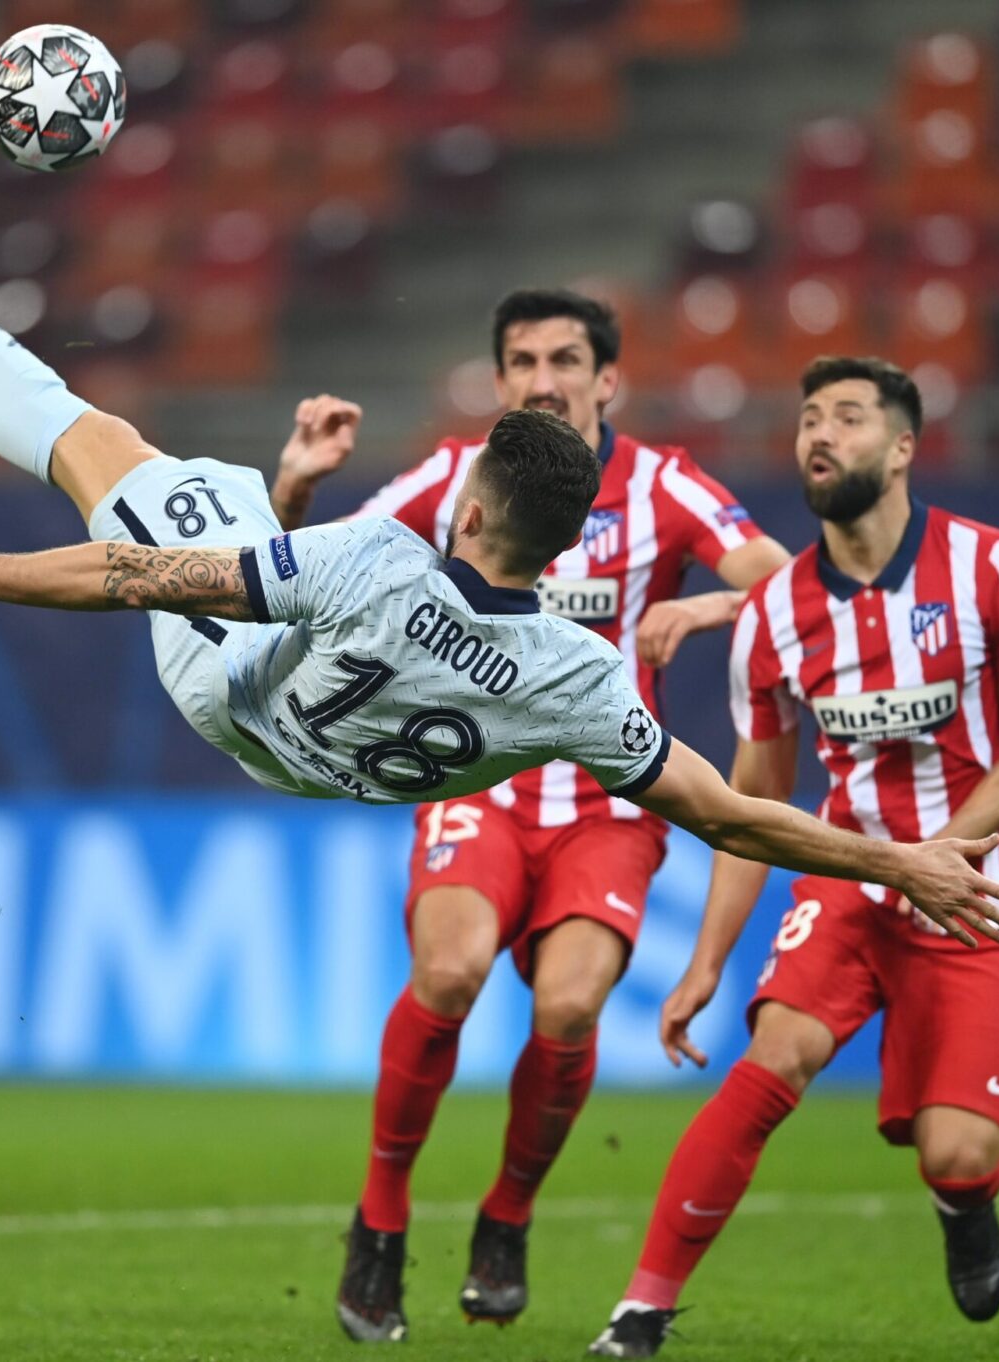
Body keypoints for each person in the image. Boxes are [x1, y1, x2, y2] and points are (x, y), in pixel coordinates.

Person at [0, 131, 999, 1315]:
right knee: (465, 967)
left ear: (467, 499)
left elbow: (128, 577)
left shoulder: (378, 559)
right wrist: (896, 862)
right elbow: (729, 815)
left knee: (94, 443)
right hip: (340, 768)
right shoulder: (573, 675)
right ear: (569, 546)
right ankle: (406, 1218)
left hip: (233, 684)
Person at [265, 289, 790, 1340]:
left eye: (562, 359)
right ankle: (378, 1223)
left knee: (568, 1006)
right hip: (479, 785)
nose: (541, 378)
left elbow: (793, 584)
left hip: (606, 799)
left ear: (606, 380)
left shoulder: (665, 488)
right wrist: (292, 485)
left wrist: (713, 604)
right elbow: (294, 571)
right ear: (498, 382)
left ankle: (505, 1216)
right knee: (448, 972)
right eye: (519, 361)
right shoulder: (460, 480)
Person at [586, 357, 999, 1359]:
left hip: (976, 891)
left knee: (959, 1152)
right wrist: (708, 961)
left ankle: (961, 1204)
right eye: (807, 417)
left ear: (901, 448)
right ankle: (640, 1311)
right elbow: (749, 803)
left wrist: (938, 855)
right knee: (773, 1058)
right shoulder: (768, 617)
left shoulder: (987, 567)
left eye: (847, 417)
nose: (818, 433)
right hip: (851, 878)